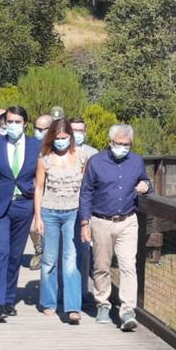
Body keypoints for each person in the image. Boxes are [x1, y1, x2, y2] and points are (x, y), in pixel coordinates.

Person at [79, 124, 152, 330]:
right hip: (101, 220)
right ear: (110, 143)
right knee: (101, 265)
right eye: (119, 144)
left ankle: (127, 309)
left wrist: (146, 186)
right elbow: (86, 193)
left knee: (128, 266)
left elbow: (146, 182)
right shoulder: (96, 162)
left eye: (126, 144)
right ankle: (103, 302)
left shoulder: (136, 161)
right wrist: (85, 222)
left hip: (128, 221)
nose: (122, 147)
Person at [0, 106, 39, 323]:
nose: (13, 126)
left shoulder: (35, 146)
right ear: (4, 123)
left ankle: (10, 299)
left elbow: (41, 177)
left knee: (15, 255)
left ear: (25, 124)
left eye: (18, 122)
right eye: (10, 121)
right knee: (1, 251)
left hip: (24, 204)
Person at [31, 119, 88, 324]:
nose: (61, 142)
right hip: (50, 211)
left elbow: (85, 188)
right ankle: (48, 301)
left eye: (65, 138)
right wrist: (38, 216)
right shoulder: (44, 158)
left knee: (71, 259)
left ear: (71, 138)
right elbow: (38, 187)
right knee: (49, 258)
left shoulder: (81, 157)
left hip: (73, 212)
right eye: (57, 138)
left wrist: (85, 218)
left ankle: (73, 306)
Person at [69, 117, 99, 307]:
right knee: (65, 251)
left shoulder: (93, 154)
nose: (76, 134)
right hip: (64, 206)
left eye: (80, 130)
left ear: (85, 132)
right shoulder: (61, 151)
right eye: (73, 130)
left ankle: (82, 291)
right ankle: (64, 290)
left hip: (86, 208)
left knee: (84, 250)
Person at [26, 113, 55, 270]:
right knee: (33, 228)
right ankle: (39, 250)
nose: (40, 132)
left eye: (44, 129)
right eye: (37, 128)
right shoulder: (30, 146)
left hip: (54, 194)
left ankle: (50, 256)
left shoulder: (57, 147)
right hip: (34, 192)